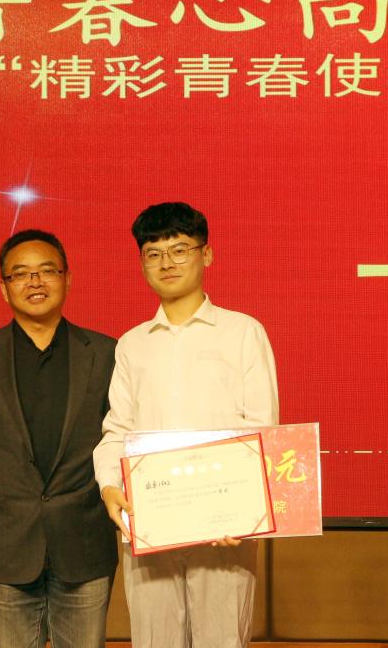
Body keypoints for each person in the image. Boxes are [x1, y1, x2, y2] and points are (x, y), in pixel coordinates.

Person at [93, 202, 279, 648]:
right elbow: (117, 428)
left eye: (179, 249)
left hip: (224, 528)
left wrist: (244, 511)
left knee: (222, 640)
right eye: (153, 254)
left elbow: (261, 429)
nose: (167, 263)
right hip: (149, 519)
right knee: (153, 640)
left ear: (206, 254)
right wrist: (109, 485)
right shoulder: (132, 344)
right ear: (142, 263)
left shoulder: (242, 332)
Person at [0, 229, 118, 648]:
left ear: (67, 279)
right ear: (3, 288)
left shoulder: (106, 354)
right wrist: (7, 499)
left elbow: (118, 441)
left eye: (47, 271)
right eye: (20, 274)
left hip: (83, 541)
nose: (35, 282)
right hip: (6, 543)